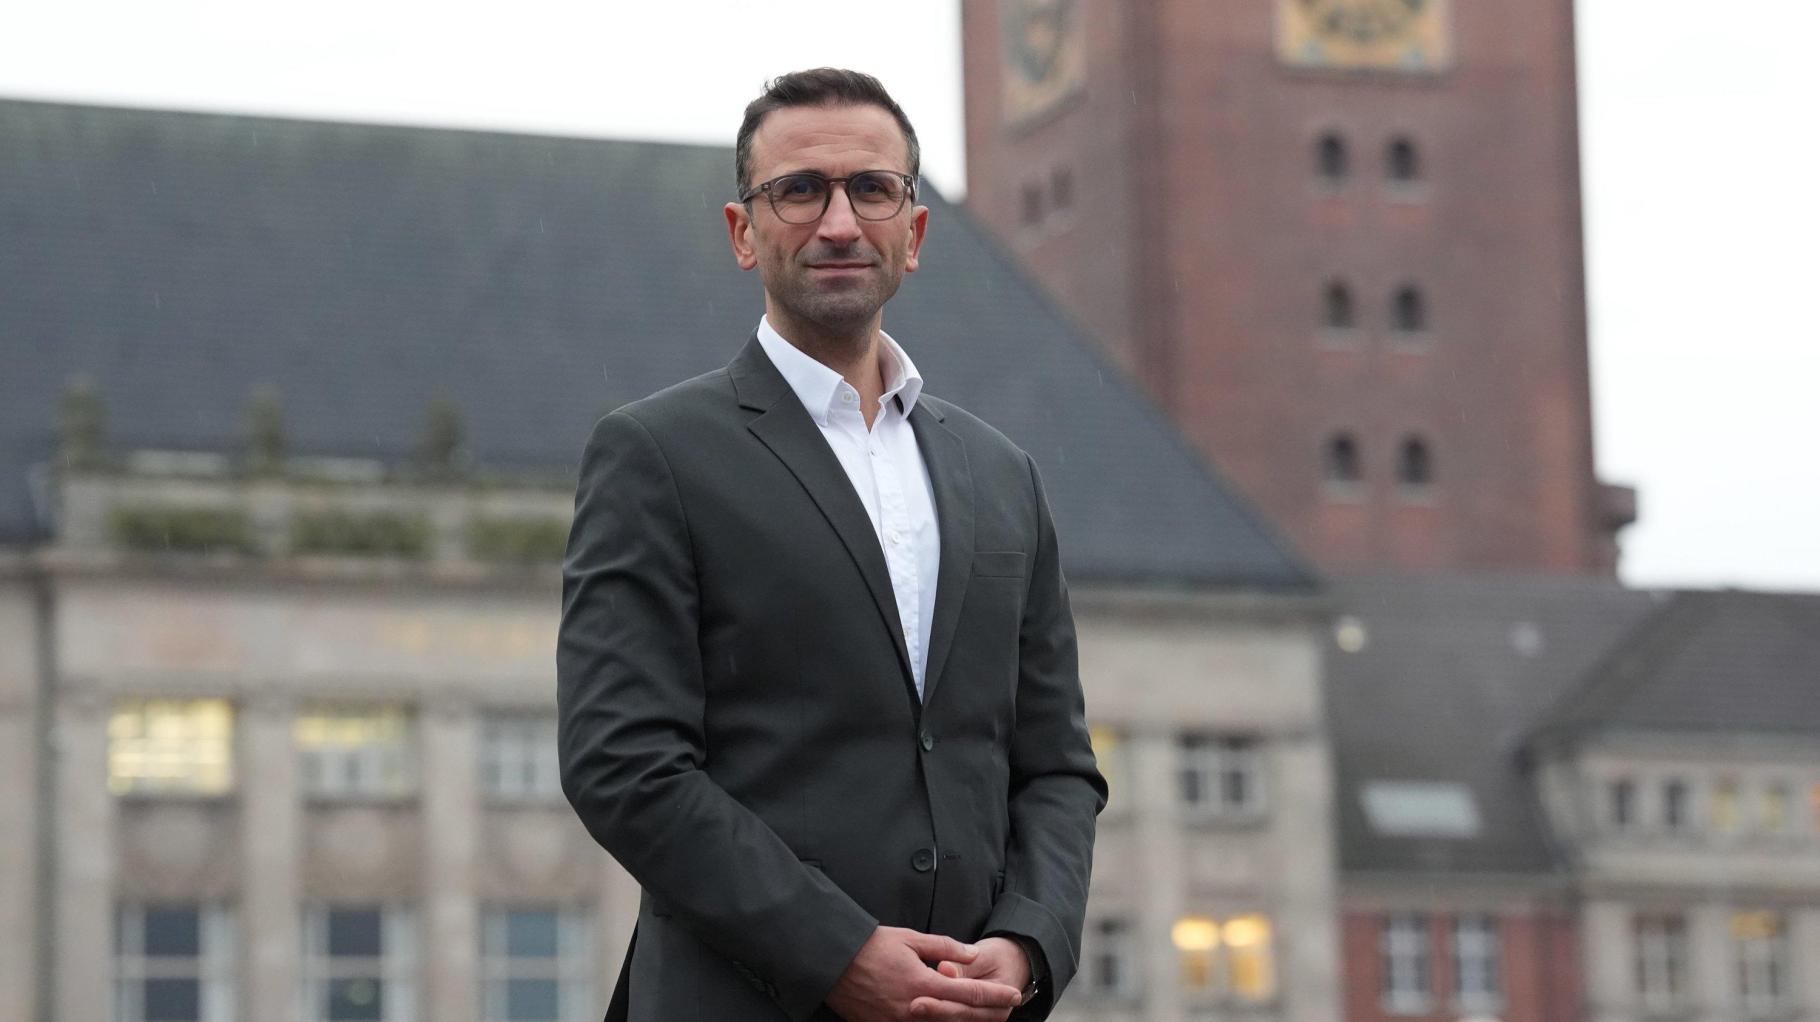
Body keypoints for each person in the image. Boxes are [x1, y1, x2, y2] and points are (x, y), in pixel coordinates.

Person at [557, 68, 1106, 1022]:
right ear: (743, 232)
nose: (841, 223)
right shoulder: (657, 453)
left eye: (872, 189)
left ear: (914, 233)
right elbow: (623, 762)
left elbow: (1056, 764)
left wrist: (1028, 942)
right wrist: (836, 954)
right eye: (801, 190)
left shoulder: (1002, 473)